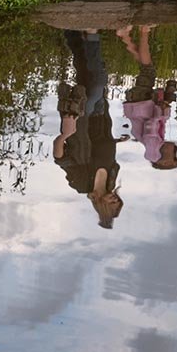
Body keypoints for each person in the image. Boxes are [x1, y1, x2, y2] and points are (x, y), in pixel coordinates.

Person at [54, 29, 125, 228]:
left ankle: (91, 35)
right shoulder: (112, 176)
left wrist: (64, 135)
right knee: (89, 77)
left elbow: (60, 158)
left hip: (81, 120)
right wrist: (118, 140)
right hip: (102, 116)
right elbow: (105, 147)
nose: (114, 198)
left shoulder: (81, 183)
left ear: (102, 206)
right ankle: (73, 34)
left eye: (112, 203)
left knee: (98, 81)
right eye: (117, 200)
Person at [118, 24, 177, 170]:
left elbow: (150, 124)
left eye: (174, 154)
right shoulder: (158, 142)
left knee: (148, 70)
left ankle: (144, 30)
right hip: (139, 104)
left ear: (165, 159)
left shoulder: (153, 146)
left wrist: (162, 111)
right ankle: (124, 37)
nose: (175, 150)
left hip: (140, 104)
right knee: (145, 68)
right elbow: (157, 122)